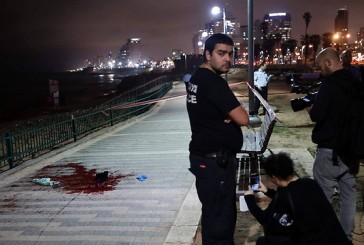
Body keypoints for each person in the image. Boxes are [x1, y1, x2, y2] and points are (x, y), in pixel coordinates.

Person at [187, 33, 249, 244]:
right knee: (221, 220)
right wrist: (231, 116)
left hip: (204, 158)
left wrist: (225, 115)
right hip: (215, 163)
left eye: (230, 54)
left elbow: (207, 110)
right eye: (221, 53)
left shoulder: (196, 78)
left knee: (212, 214)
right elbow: (243, 118)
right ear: (207, 54)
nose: (227, 59)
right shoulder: (213, 82)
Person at [244, 152, 351, 245]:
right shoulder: (310, 183)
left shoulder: (284, 195)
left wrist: (249, 198)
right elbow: (296, 199)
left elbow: (263, 218)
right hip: (336, 239)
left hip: (311, 241)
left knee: (262, 242)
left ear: (274, 178)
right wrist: (267, 191)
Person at [308, 47, 359, 241]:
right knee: (348, 196)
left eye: (320, 67)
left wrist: (311, 109)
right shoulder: (356, 83)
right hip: (352, 151)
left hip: (330, 151)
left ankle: (326, 238)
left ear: (329, 63)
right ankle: (346, 237)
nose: (319, 71)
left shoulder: (329, 86)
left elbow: (318, 115)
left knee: (323, 197)